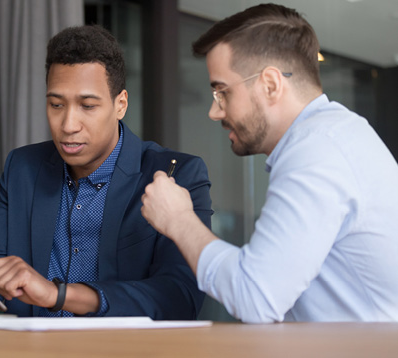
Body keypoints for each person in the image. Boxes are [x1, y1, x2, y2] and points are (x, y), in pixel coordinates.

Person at [0, 25, 212, 319]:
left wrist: (58, 295)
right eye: (56, 104)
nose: (68, 125)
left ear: (120, 104)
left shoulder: (176, 174)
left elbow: (179, 297)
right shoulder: (23, 168)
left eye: (88, 106)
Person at [141, 3, 398, 323]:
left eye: (222, 92)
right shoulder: (334, 137)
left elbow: (256, 296)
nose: (214, 111)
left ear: (271, 84)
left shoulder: (317, 152)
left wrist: (179, 220)